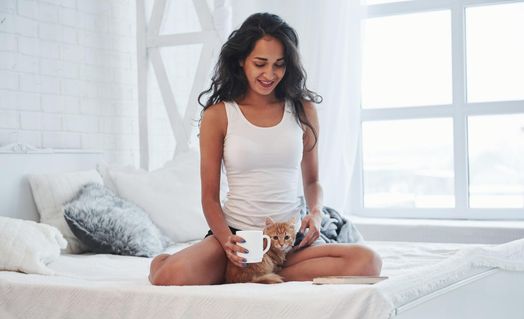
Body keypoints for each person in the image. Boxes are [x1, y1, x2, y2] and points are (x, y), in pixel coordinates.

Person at [149, 13, 381, 286]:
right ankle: (222, 267)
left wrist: (315, 214)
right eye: (260, 63)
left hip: (286, 241)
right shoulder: (219, 115)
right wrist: (226, 241)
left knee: (368, 261)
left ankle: (254, 274)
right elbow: (209, 197)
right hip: (238, 237)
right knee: (168, 275)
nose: (270, 74)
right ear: (240, 61)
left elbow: (313, 180)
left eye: (279, 65)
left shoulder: (303, 109)